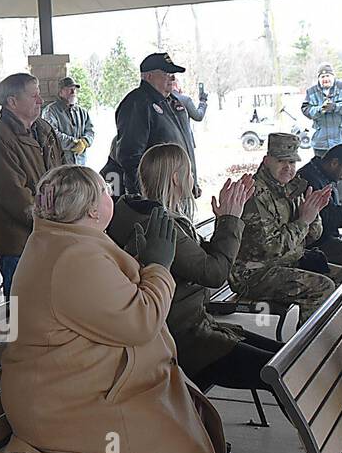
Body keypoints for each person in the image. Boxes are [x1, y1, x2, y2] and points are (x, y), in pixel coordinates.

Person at [1, 165, 257, 453]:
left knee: (189, 407)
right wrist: (158, 266)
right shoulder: (71, 257)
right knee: (161, 439)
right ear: (88, 208)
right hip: (60, 404)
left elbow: (113, 303)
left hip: (78, 382)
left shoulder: (66, 240)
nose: (111, 196)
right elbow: (139, 322)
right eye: (104, 191)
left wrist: (143, 266)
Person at [105, 144, 273, 392]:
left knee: (287, 358)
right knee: (280, 371)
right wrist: (230, 220)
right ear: (176, 178)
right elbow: (215, 274)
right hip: (188, 341)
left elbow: (200, 260)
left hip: (192, 328)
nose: (193, 178)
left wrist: (225, 220)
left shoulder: (135, 212)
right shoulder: (160, 224)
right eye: (190, 172)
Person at [231, 132, 342, 320]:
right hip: (254, 273)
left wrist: (312, 214)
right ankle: (306, 346)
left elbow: (313, 235)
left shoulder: (292, 188)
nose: (288, 168)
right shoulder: (255, 194)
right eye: (281, 161)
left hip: (285, 262)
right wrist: (304, 221)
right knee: (322, 288)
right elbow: (272, 247)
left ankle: (332, 341)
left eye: (292, 163)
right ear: (267, 160)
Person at [0, 72, 62, 297]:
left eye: (40, 95)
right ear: (12, 102)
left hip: (50, 236)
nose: (41, 101)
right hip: (19, 244)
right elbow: (15, 198)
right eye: (33, 96)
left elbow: (63, 173)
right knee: (24, 312)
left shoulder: (43, 129)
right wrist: (55, 220)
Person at [101, 52, 189, 197]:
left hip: (176, 188)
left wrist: (190, 182)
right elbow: (130, 156)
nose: (173, 77)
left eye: (173, 73)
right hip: (158, 193)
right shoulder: (137, 103)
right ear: (149, 76)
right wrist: (144, 195)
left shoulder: (172, 102)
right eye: (166, 73)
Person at [167, 77, 207, 219]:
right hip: (185, 148)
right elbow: (198, 115)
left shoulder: (164, 103)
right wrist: (203, 102)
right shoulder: (185, 100)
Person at [301, 64, 342, 159]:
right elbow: (306, 110)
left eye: (328, 76)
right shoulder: (311, 92)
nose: (325, 79)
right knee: (320, 171)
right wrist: (320, 109)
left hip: (341, 140)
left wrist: (335, 107)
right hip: (320, 142)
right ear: (318, 79)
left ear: (333, 76)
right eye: (322, 77)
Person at [41, 77, 95, 166]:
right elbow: (52, 134)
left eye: (74, 89)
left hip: (80, 163)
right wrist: (74, 143)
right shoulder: (50, 111)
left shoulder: (82, 112)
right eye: (70, 89)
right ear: (60, 92)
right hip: (61, 164)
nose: (73, 92)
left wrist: (85, 141)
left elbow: (90, 130)